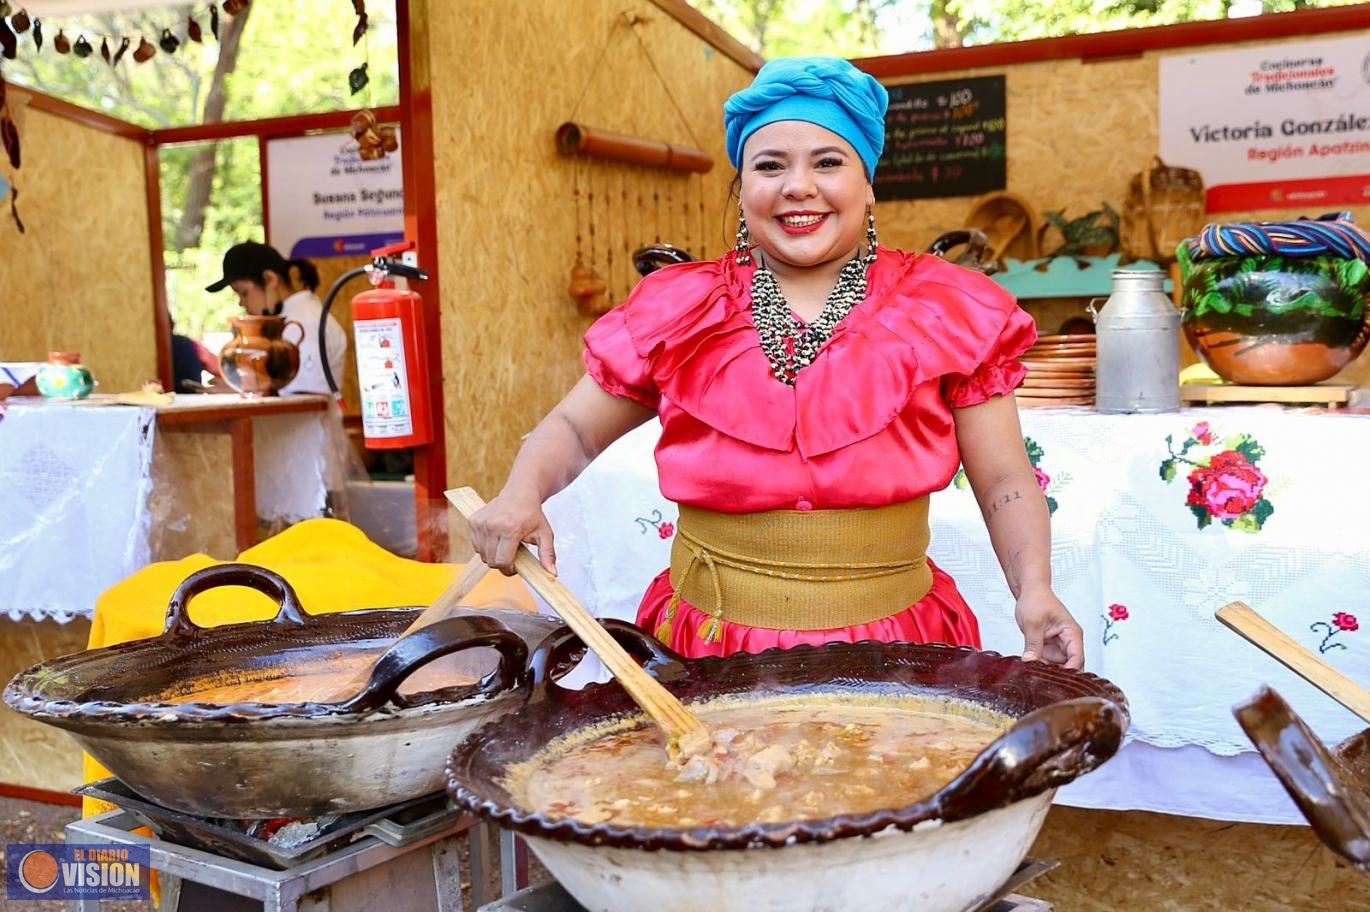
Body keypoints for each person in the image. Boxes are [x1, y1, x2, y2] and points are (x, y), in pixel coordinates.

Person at [470, 57, 1085, 668]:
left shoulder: (946, 308)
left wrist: (1034, 589)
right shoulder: (681, 308)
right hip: (710, 645)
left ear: (869, 182)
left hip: (896, 650)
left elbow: (1004, 478)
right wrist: (521, 492)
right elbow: (574, 428)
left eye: (828, 162)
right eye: (769, 166)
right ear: (744, 191)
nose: (798, 186)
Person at [206, 241, 348, 396]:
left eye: (244, 292)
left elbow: (305, 398)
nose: (241, 303)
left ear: (270, 279)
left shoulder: (305, 323)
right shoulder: (296, 317)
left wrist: (242, 389)